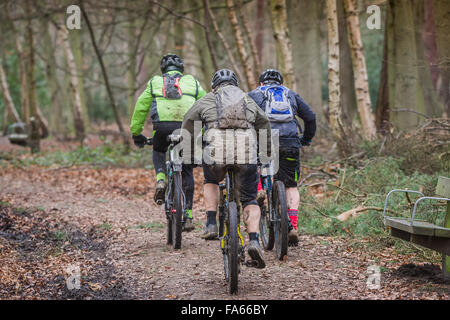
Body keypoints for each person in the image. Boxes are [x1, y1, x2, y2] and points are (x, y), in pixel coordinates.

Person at [181, 69, 272, 268]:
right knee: (249, 197)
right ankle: (254, 240)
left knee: (211, 180)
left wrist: (188, 154)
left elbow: (188, 124)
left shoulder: (207, 99)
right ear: (236, 85)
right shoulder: (247, 100)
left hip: (216, 155)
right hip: (246, 154)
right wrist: (265, 155)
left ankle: (212, 222)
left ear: (214, 86)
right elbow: (264, 123)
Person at [130, 53, 206, 231]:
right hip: (187, 128)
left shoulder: (155, 82)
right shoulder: (193, 82)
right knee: (186, 168)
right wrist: (202, 133)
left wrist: (136, 133)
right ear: (181, 70)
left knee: (158, 150)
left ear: (163, 70)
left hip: (162, 128)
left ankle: (161, 179)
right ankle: (188, 215)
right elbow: (205, 106)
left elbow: (141, 106)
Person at [248, 69, 316, 246]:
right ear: (280, 83)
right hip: (289, 142)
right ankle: (292, 225)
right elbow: (310, 117)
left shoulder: (254, 94)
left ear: (261, 83)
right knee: (291, 186)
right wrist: (306, 139)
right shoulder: (291, 94)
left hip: (264, 140)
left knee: (256, 163)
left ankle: (261, 188)